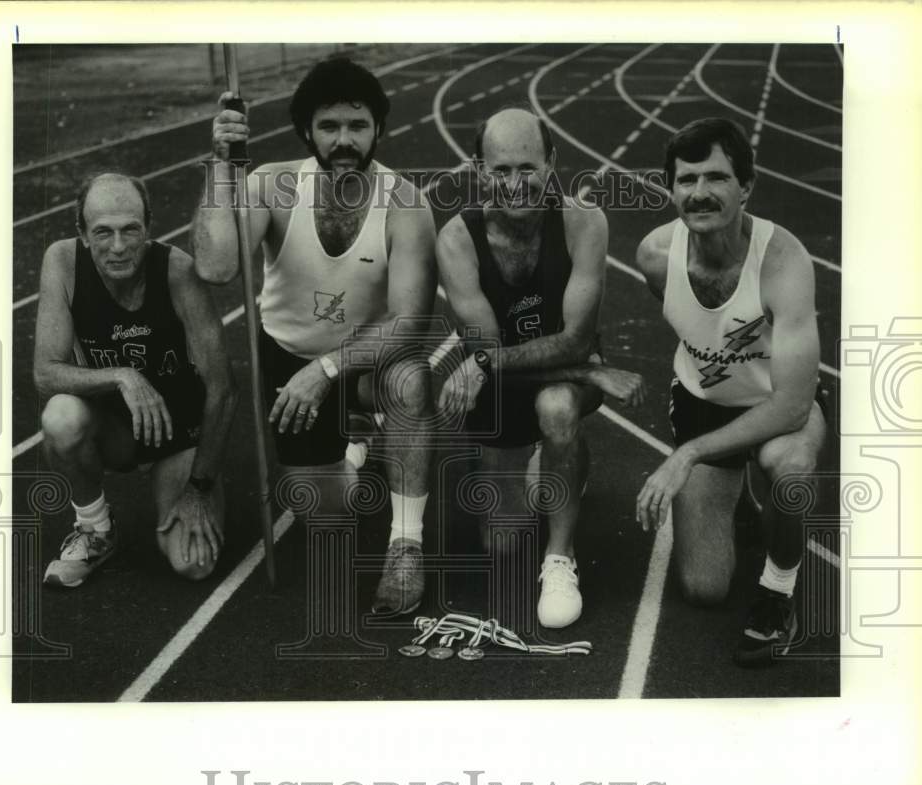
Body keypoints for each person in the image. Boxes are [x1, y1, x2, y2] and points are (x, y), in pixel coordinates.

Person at [191, 57, 436, 614]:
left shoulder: (406, 205)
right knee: (328, 516)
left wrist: (326, 371)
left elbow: (409, 323)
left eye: (358, 125)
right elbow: (215, 265)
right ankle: (355, 448)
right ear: (307, 131)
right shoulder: (271, 186)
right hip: (289, 355)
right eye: (330, 127)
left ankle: (406, 543)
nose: (344, 140)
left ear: (379, 128)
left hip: (364, 362)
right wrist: (222, 164)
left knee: (411, 383)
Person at [436, 107, 646, 629]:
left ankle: (560, 558)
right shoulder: (458, 241)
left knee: (555, 409)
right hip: (514, 384)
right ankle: (555, 454)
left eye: (527, 168)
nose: (514, 185)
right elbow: (490, 361)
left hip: (549, 379)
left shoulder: (584, 223)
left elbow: (573, 339)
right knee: (503, 542)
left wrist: (492, 363)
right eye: (500, 170)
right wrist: (590, 372)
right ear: (479, 170)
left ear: (552, 163)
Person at [635, 117, 826, 666]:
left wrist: (688, 454)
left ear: (747, 186)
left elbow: (792, 404)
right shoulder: (654, 256)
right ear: (670, 188)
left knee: (790, 475)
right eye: (686, 179)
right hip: (703, 407)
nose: (700, 193)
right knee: (705, 588)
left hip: (776, 407)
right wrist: (699, 438)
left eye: (716, 178)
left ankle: (777, 592)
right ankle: (736, 494)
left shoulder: (783, 263)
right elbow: (694, 325)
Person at [34, 173, 237, 587]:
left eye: (131, 230)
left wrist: (199, 486)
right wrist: (124, 376)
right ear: (82, 233)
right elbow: (46, 372)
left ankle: (194, 486)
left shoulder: (178, 272)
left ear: (149, 227)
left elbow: (224, 389)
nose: (119, 246)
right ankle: (95, 531)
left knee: (192, 564)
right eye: (103, 232)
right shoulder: (62, 262)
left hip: (178, 434)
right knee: (61, 417)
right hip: (116, 430)